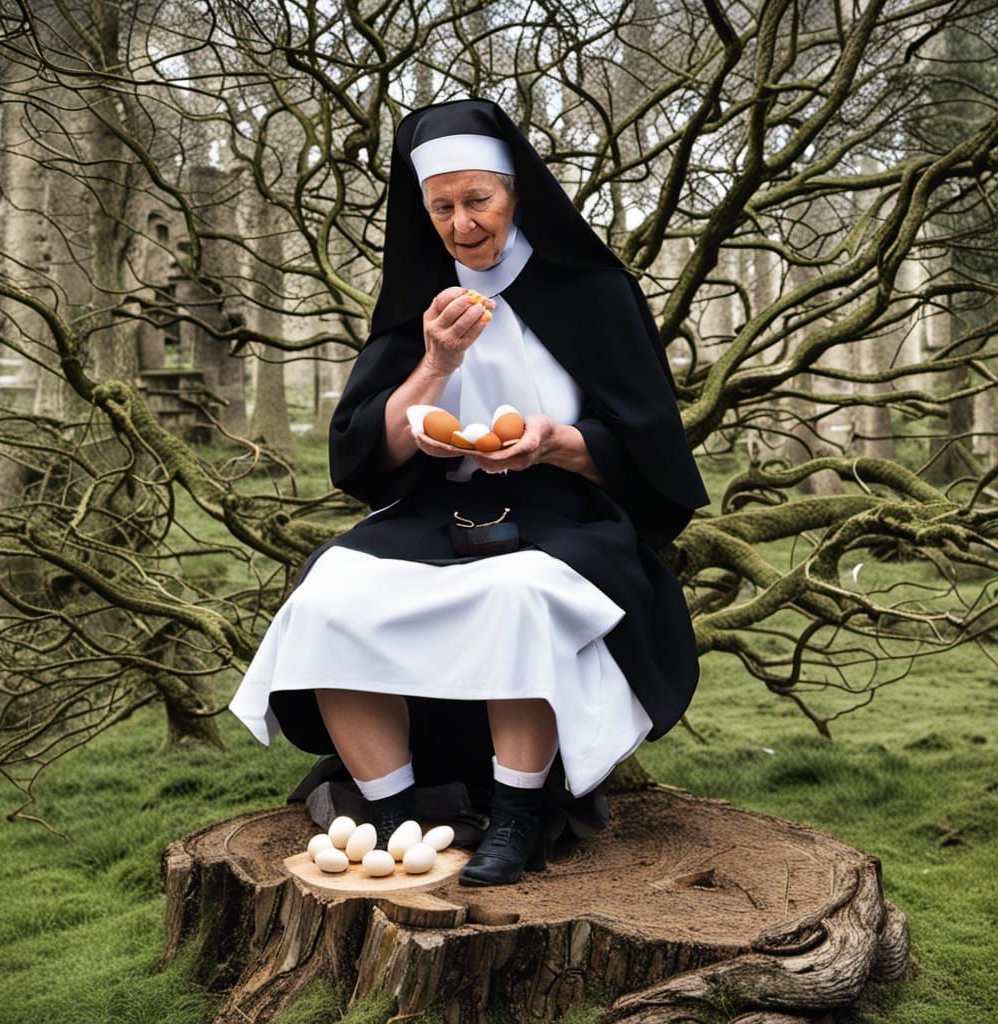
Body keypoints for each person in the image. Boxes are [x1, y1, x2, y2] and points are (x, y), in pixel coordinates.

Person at [229, 98, 710, 886]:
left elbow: (651, 452)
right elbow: (362, 451)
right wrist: (436, 366)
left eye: (477, 200)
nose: (462, 224)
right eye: (442, 207)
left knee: (518, 596)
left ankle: (517, 816)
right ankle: (393, 813)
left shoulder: (594, 292)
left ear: (515, 192)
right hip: (435, 510)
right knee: (327, 597)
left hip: (564, 513)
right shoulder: (421, 295)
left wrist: (555, 441)